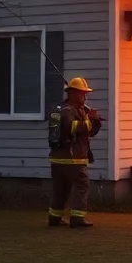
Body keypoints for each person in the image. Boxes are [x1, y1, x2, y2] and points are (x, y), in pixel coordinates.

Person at [48, 76, 102, 229]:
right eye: (82, 93)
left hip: (59, 159)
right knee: (82, 185)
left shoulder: (69, 109)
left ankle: (54, 218)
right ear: (71, 93)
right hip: (72, 159)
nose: (85, 97)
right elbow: (73, 128)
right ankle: (77, 218)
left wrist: (94, 122)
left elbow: (88, 132)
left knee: (61, 189)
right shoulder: (68, 111)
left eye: (85, 94)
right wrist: (89, 120)